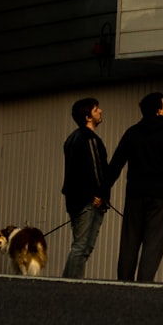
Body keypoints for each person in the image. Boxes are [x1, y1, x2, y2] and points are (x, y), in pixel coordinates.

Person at [106, 91, 163, 282]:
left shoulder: (132, 133)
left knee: (130, 241)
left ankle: (124, 282)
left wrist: (104, 192)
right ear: (159, 110)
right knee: (153, 242)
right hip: (160, 196)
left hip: (135, 194)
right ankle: (144, 285)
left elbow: (116, 164)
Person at [61, 97, 109, 278]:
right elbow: (96, 169)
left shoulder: (71, 139)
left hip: (75, 200)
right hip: (90, 201)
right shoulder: (90, 139)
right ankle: (73, 286)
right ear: (88, 117)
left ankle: (66, 282)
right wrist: (100, 194)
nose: (100, 111)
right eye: (96, 109)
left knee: (80, 246)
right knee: (82, 247)